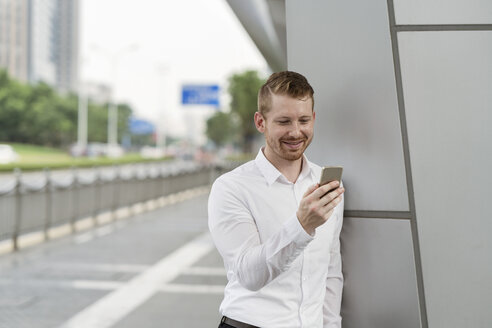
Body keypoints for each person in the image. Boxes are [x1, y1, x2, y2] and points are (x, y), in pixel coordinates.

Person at [208, 71, 345, 328]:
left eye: (304, 120)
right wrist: (302, 226)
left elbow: (331, 271)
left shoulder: (325, 183)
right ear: (261, 122)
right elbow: (250, 274)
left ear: (313, 119)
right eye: (284, 121)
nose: (295, 132)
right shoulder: (231, 188)